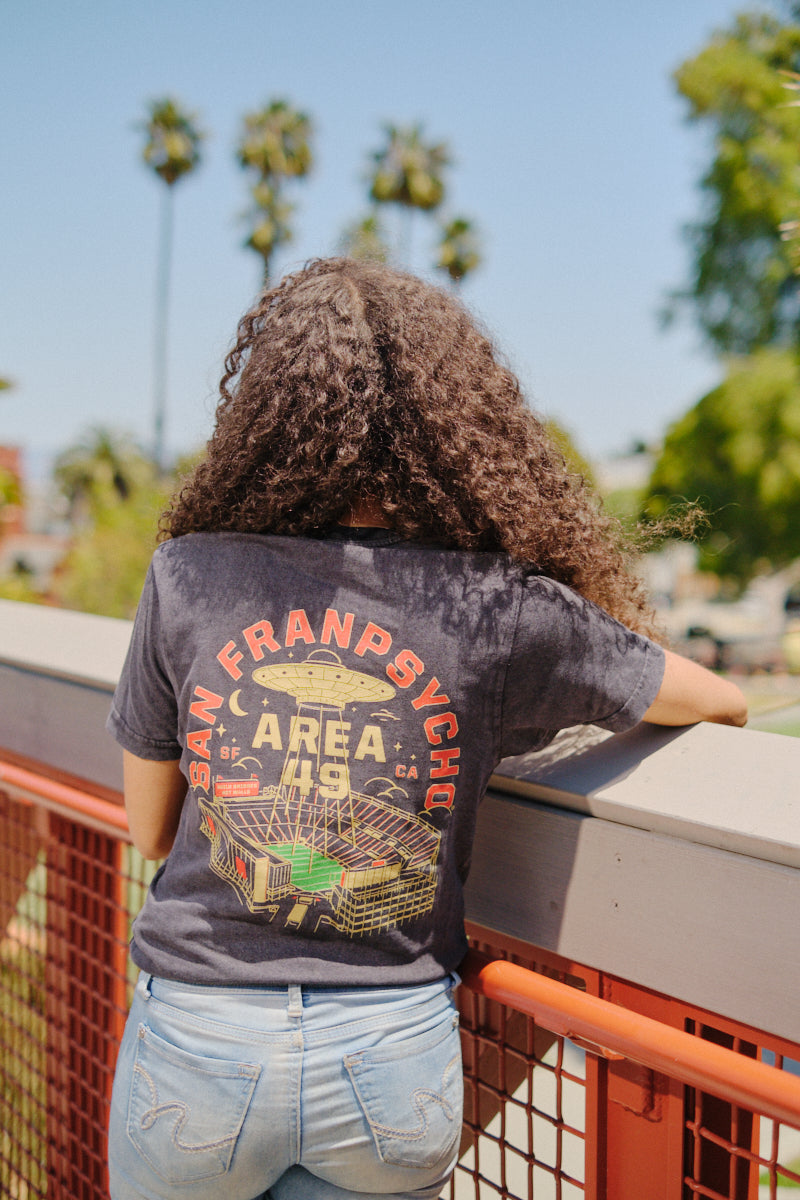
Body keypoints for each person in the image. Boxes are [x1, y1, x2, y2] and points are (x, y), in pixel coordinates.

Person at [106, 257, 747, 1200]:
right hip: (387, 1056)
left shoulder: (189, 575)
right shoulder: (497, 608)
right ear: (453, 429)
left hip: (200, 1040)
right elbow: (719, 701)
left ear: (268, 419)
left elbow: (152, 830)